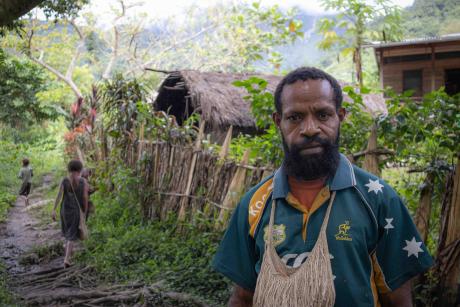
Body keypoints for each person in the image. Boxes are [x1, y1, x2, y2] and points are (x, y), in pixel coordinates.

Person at [212, 67, 433, 307]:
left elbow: (398, 301)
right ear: (279, 122)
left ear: (340, 116)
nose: (309, 128)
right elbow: (243, 298)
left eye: (323, 115)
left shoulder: (378, 199)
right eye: (295, 117)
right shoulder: (254, 204)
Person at [52, 160, 89, 268]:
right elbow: (85, 198)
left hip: (64, 210)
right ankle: (67, 259)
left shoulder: (65, 180)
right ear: (80, 169)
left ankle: (69, 252)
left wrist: (54, 209)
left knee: (69, 232)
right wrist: (85, 211)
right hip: (75, 211)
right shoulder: (83, 181)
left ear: (69, 169)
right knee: (72, 235)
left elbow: (59, 195)